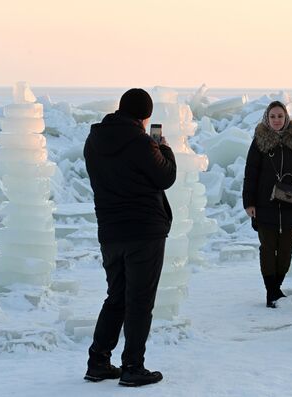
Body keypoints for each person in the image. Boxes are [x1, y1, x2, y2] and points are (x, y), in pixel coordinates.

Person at [83, 88, 177, 387]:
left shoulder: (94, 141)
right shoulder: (141, 142)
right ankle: (133, 366)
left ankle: (98, 361)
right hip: (144, 231)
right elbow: (166, 177)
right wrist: (163, 148)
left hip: (111, 231)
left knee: (117, 297)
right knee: (139, 300)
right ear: (145, 116)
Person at [242, 101, 292, 308]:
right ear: (267, 118)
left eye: (280, 116)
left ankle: (276, 287)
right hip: (265, 204)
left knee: (286, 249)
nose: (276, 120)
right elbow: (251, 174)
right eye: (272, 116)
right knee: (267, 248)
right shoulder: (259, 142)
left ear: (286, 118)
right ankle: (271, 292)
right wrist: (249, 203)